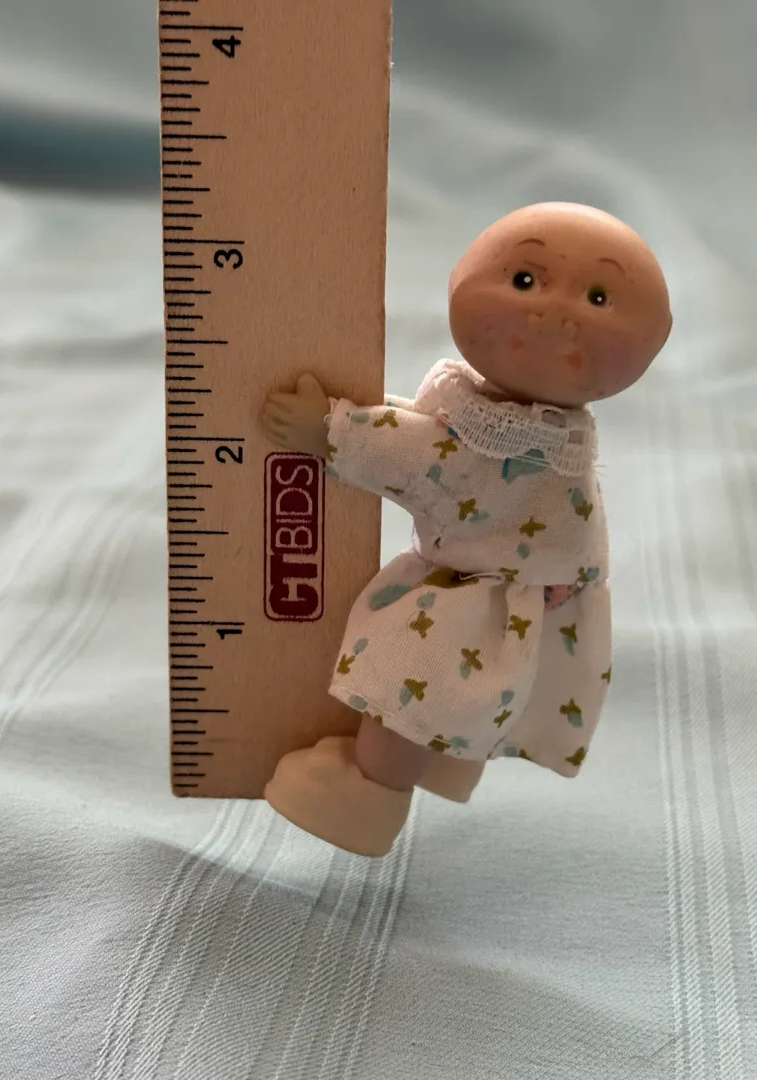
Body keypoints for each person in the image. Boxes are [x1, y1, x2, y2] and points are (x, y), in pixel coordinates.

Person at [260, 201, 672, 856]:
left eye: (597, 297)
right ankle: (431, 760)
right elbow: (437, 437)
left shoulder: (521, 442)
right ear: (459, 278)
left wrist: (329, 430)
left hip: (479, 605)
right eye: (526, 279)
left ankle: (369, 794)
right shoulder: (545, 432)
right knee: (442, 695)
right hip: (510, 593)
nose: (555, 312)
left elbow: (427, 458)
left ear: (652, 344)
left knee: (407, 686)